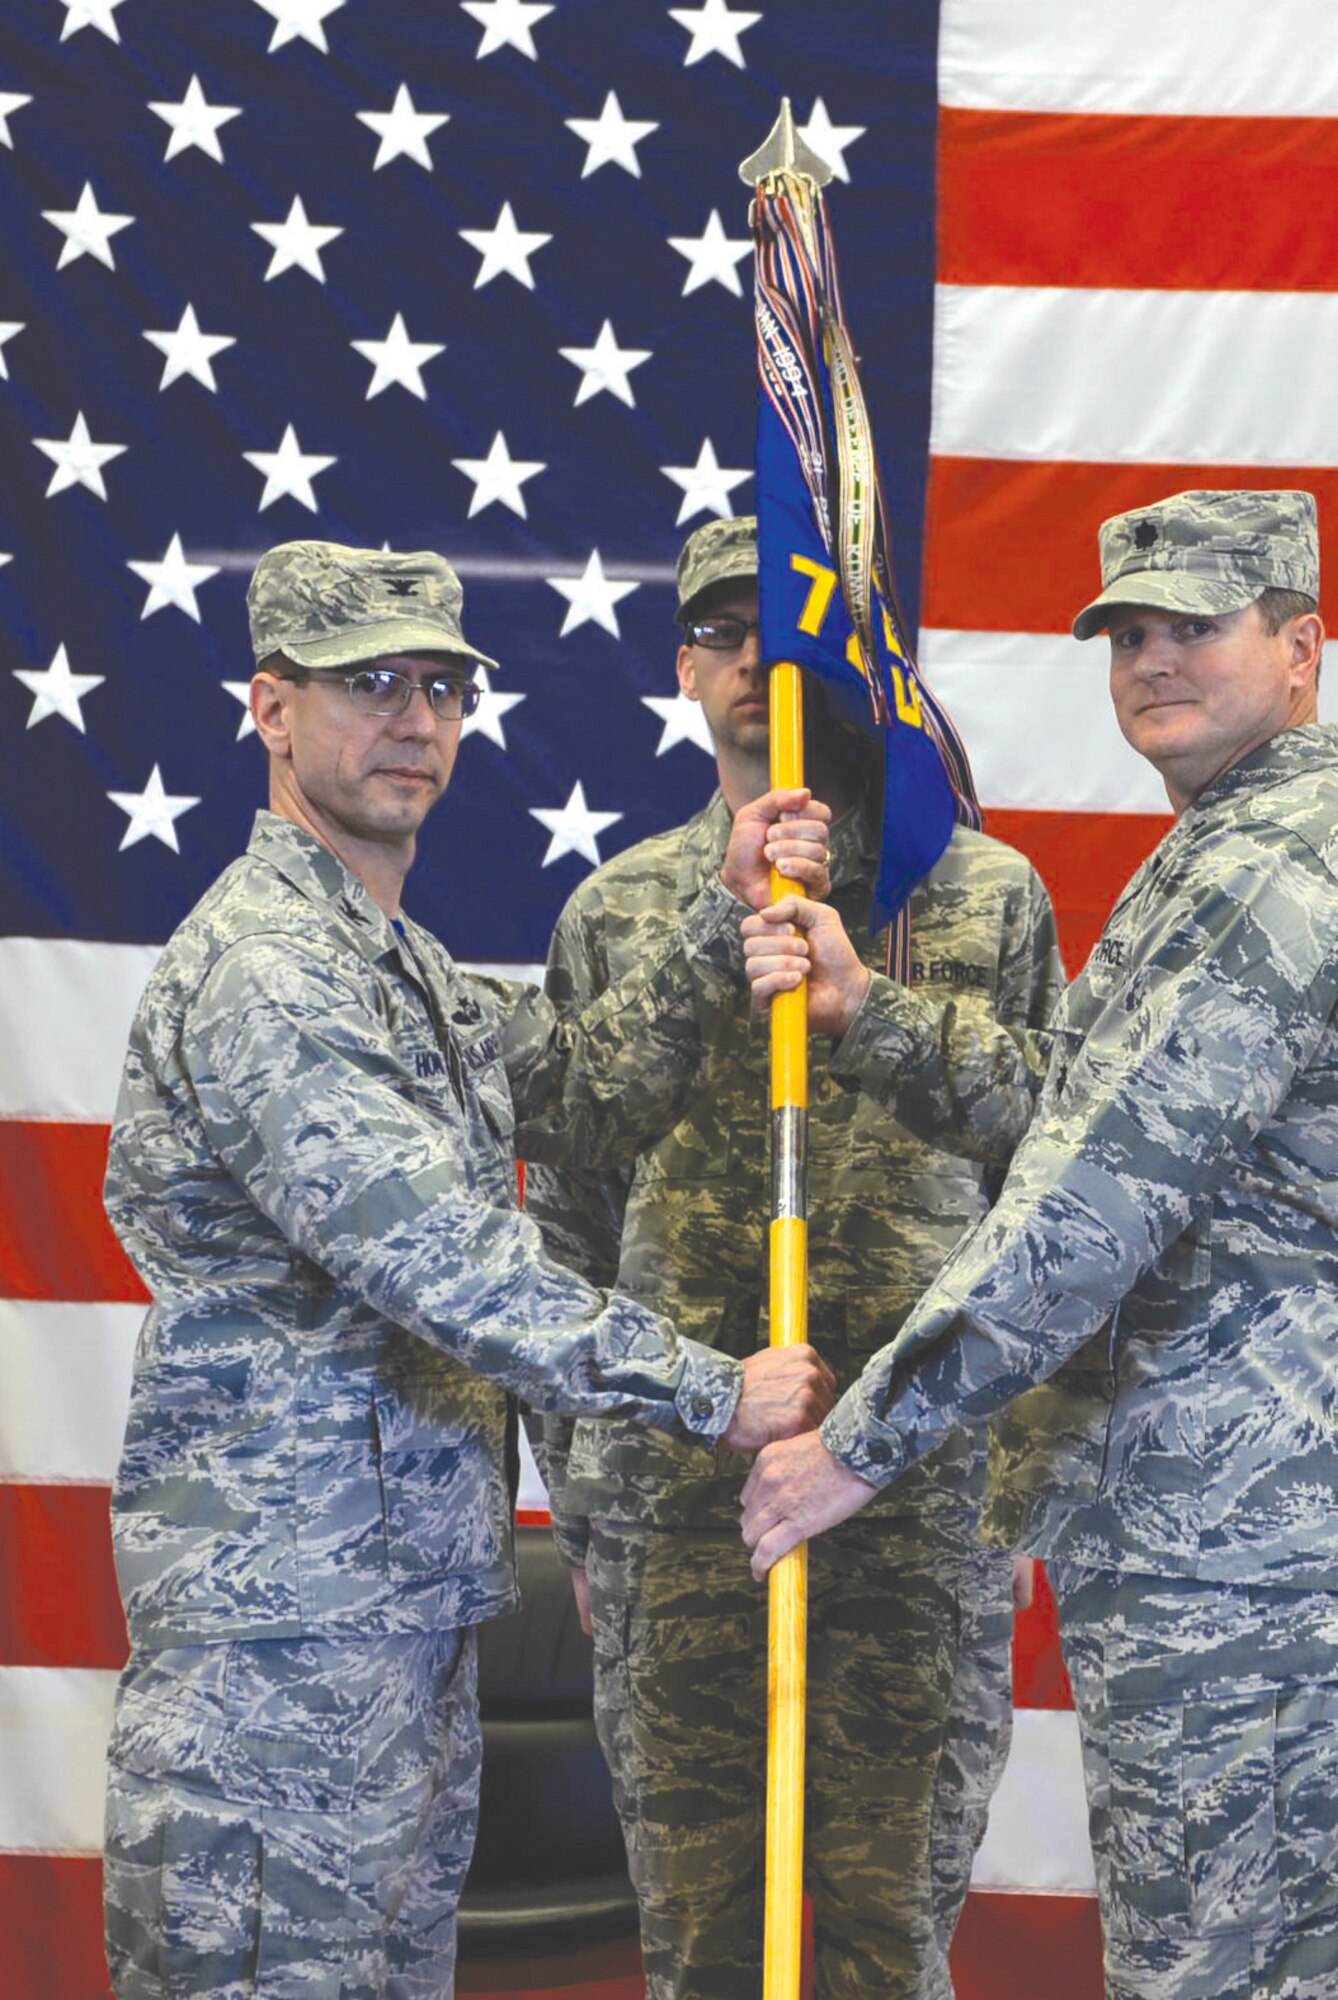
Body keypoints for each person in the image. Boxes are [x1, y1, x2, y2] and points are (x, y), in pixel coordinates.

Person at [99, 539, 835, 2000]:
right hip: (280, 1635)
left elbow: (578, 1099)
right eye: (369, 684)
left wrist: (720, 909)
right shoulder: (274, 971)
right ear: (271, 708)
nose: (415, 721)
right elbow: (445, 1261)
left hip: (396, 1612)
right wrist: (710, 1390)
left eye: (440, 686)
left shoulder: (402, 965)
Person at [738, 491, 1338, 2000]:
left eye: (1197, 624)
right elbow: (1079, 1114)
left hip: (1241, 1542)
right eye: (1127, 631)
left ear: (1304, 648)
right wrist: (875, 1014)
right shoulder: (1224, 851)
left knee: (1229, 1975)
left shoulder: (1275, 873)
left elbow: (1090, 1209)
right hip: (1215, 1527)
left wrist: (854, 1448)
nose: (1152, 659)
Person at [523, 515, 1064, 2000]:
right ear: (687, 667)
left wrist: (1009, 1486)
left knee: (891, 1938)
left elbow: (1055, 1185)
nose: (760, 658)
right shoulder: (621, 910)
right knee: (702, 1942)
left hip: (921, 1497)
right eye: (722, 632)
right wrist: (582, 1502)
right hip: (677, 1502)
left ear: (860, 656)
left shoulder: (983, 898)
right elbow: (557, 1224)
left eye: (795, 628)